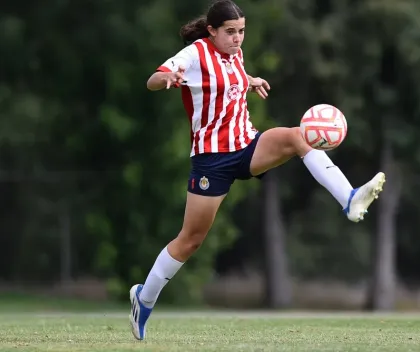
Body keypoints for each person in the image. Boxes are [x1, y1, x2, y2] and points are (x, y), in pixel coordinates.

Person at [129, 0, 385, 340]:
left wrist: (248, 80)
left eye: (242, 32)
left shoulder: (235, 54)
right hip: (212, 159)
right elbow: (152, 79)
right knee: (190, 241)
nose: (237, 39)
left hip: (247, 145)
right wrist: (168, 79)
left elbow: (227, 77)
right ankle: (143, 300)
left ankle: (349, 198)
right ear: (212, 31)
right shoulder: (194, 55)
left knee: (297, 137)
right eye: (230, 32)